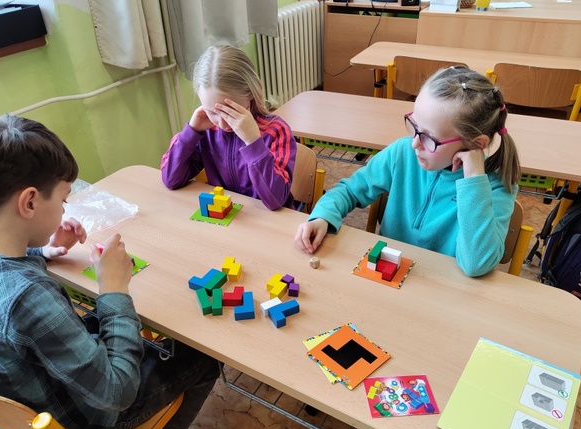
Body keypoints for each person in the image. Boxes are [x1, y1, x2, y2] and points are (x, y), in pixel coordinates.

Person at [0, 114, 228, 429]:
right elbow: (117, 392)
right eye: (63, 200)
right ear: (29, 202)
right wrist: (113, 289)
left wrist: (43, 249)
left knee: (124, 331)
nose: (65, 210)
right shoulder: (25, 298)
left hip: (19, 423)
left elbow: (1, 282)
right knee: (201, 353)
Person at [294, 66, 521, 277]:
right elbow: (351, 190)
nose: (415, 143)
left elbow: (476, 264)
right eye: (414, 126)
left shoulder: (497, 185)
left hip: (443, 287)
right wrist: (323, 216)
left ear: (475, 144)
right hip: (387, 276)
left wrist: (473, 181)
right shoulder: (403, 152)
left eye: (430, 138)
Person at [161, 44, 297, 210]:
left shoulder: (276, 130)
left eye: (230, 112)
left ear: (251, 93)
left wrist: (253, 142)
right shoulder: (207, 131)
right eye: (212, 112)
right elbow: (171, 180)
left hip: (268, 220)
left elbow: (276, 200)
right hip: (228, 216)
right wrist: (191, 133)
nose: (222, 124)